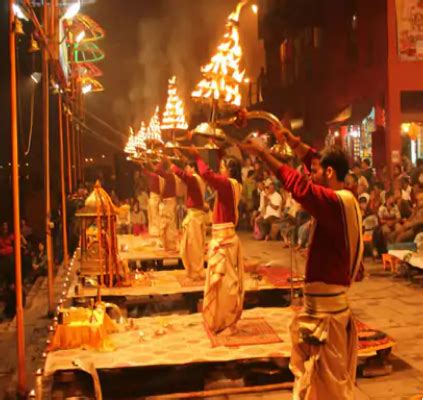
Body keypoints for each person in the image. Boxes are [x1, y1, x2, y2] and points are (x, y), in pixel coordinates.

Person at [239, 123, 363, 400]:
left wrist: (264, 154)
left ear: (329, 173)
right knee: (316, 385)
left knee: (326, 391)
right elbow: (317, 162)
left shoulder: (334, 203)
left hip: (327, 318)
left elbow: (298, 186)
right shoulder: (346, 200)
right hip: (326, 312)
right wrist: (294, 143)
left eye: (316, 171)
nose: (311, 173)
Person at [187, 147, 244, 335]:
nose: (220, 170)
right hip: (222, 238)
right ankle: (221, 320)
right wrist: (217, 148)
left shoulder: (228, 185)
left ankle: (229, 322)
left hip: (225, 241)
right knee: (219, 285)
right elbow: (215, 174)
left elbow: (205, 173)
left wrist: (196, 155)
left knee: (226, 286)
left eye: (222, 167)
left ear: (230, 170)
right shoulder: (230, 184)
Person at [170, 157, 207, 280]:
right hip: (193, 216)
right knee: (187, 247)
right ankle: (193, 271)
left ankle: (196, 272)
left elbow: (184, 176)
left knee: (194, 247)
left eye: (188, 167)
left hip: (195, 217)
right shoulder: (195, 180)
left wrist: (172, 166)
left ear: (193, 168)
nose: (186, 170)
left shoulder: (195, 178)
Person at [157, 160, 178, 252]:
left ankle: (171, 246)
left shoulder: (170, 176)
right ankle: (167, 245)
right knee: (165, 224)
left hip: (169, 203)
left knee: (168, 224)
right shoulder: (169, 176)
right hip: (167, 202)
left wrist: (161, 160)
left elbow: (157, 170)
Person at [141, 163, 163, 237]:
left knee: (154, 215)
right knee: (152, 214)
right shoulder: (158, 176)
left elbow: (146, 172)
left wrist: (142, 164)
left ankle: (156, 231)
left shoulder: (156, 176)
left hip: (155, 197)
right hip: (154, 196)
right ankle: (154, 231)